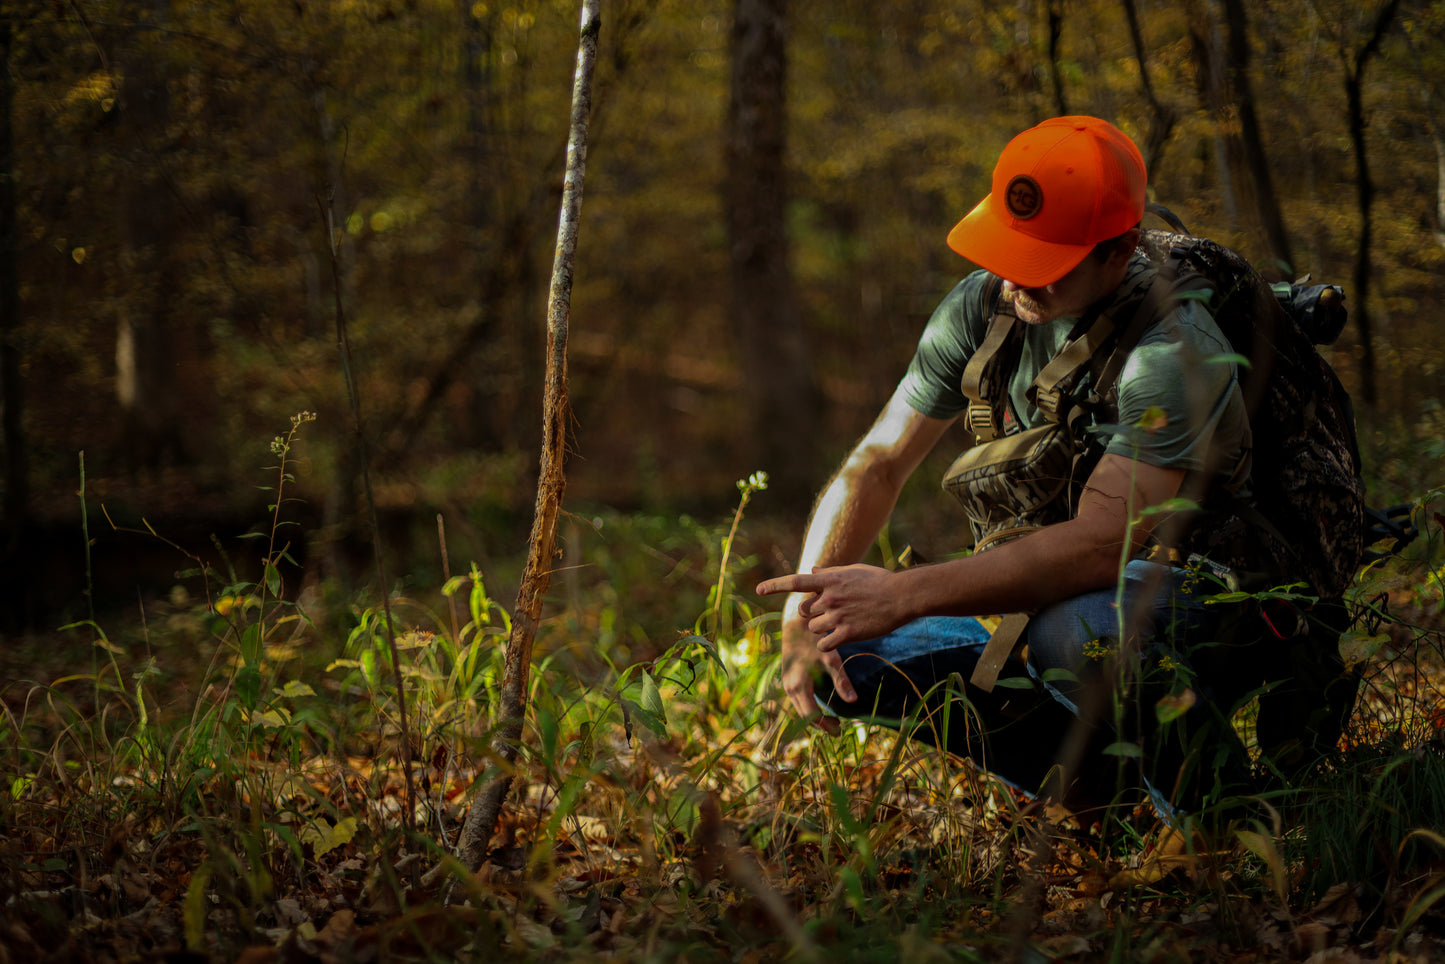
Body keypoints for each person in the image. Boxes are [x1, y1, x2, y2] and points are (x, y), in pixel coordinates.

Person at [756, 116, 1260, 815]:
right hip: (1053, 593)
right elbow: (874, 464)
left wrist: (905, 592)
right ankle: (1100, 800)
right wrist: (800, 621)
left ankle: (1222, 819)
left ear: (1117, 253)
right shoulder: (981, 307)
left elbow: (1097, 548)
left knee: (1074, 633)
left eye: (1045, 265)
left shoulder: (1171, 352)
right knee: (849, 652)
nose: (1015, 277)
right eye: (1009, 249)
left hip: (1205, 598)